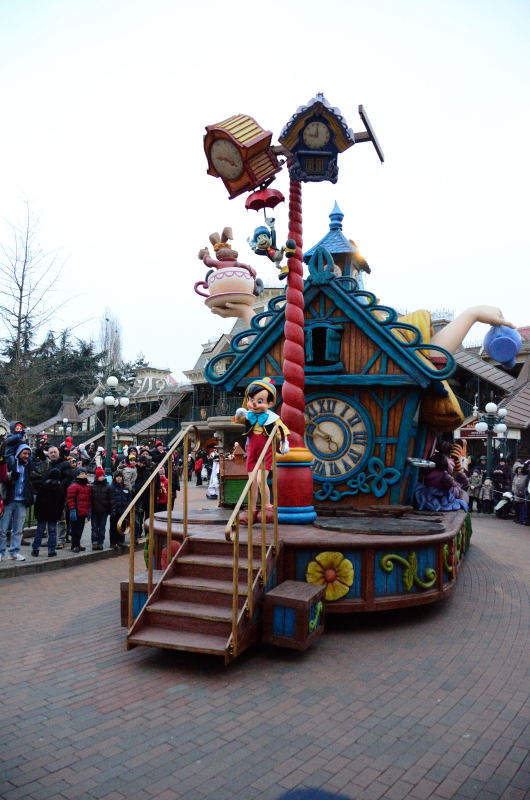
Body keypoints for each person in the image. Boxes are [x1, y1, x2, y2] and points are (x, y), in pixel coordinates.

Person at [233, 377, 290, 523]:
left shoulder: (272, 418)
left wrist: (284, 443)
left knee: (260, 480)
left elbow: (282, 432)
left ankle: (267, 508)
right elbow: (237, 419)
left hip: (266, 452)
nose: (254, 404)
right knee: (251, 481)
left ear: (270, 403)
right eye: (252, 400)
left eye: (260, 401)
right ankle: (251, 510)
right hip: (252, 451)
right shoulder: (249, 416)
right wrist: (239, 414)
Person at [0, 443, 34, 561]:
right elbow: (3, 476)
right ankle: (1, 552)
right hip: (8, 500)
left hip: (21, 502)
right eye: (24, 453)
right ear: (18, 453)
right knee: (3, 529)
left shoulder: (28, 465)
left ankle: (14, 552)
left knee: (18, 530)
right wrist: (11, 475)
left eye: (28, 454)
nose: (26, 456)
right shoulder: (11, 463)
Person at [31, 468, 65, 557]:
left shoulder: (43, 486)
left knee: (39, 531)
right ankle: (51, 551)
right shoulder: (60, 487)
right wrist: (59, 514)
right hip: (53, 513)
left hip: (42, 512)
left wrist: (36, 513)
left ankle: (35, 549)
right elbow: (61, 504)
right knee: (52, 531)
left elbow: (38, 501)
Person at [66, 468, 91, 552]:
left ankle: (78, 544)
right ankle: (74, 545)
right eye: (81, 473)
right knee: (75, 530)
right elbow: (70, 499)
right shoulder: (74, 486)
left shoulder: (87, 486)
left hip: (83, 511)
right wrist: (72, 510)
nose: (84, 475)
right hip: (76, 511)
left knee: (80, 529)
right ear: (77, 475)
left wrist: (89, 510)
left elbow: (88, 499)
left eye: (85, 473)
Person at [90, 467, 112, 550]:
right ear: (97, 476)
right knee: (94, 527)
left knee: (102, 527)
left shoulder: (108, 487)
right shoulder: (92, 486)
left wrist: (111, 510)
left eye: (103, 475)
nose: (102, 477)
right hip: (94, 511)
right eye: (100, 475)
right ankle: (94, 542)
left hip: (104, 511)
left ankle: (100, 542)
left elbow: (111, 499)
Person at [109, 471, 131, 550]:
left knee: (123, 527)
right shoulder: (112, 487)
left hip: (123, 511)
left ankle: (121, 541)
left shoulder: (126, 487)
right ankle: (113, 542)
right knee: (114, 527)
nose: (119, 478)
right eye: (117, 477)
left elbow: (129, 499)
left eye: (120, 476)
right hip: (115, 511)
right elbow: (111, 500)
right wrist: (112, 509)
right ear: (115, 478)